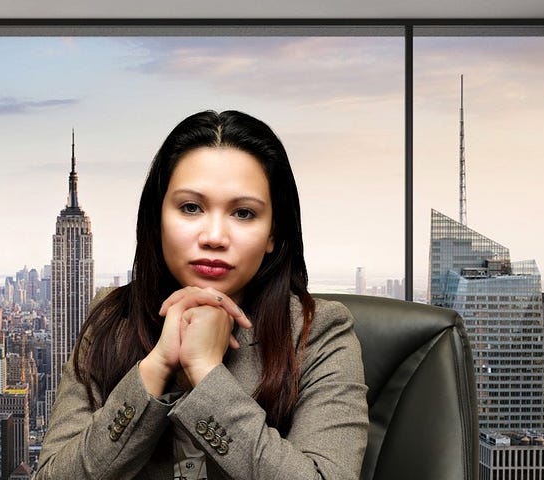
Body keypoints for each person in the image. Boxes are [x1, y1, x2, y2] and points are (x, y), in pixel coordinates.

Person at [36, 110, 368, 479]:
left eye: (243, 213)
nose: (214, 236)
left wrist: (206, 374)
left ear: (273, 233)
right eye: (191, 208)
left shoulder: (318, 331)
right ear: (157, 219)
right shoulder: (112, 320)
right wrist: (156, 367)